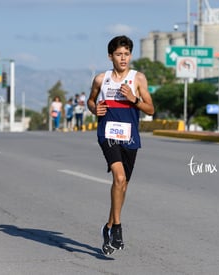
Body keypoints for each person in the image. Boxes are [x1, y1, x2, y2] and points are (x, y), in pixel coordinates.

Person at [87, 35, 154, 255]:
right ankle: (117, 227)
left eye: (126, 54)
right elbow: (91, 99)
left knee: (123, 186)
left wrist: (134, 99)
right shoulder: (101, 79)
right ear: (110, 56)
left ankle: (108, 226)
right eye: (118, 54)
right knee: (119, 178)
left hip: (130, 136)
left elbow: (151, 109)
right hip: (108, 134)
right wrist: (94, 109)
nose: (123, 58)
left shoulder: (138, 79)